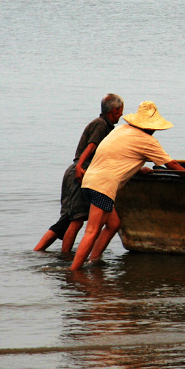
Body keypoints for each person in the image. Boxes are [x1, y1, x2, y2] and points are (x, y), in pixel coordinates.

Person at [70, 101, 185, 271]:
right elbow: (172, 164)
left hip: (90, 180)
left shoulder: (121, 130)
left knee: (113, 224)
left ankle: (93, 260)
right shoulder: (148, 141)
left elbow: (118, 156)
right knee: (92, 231)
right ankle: (74, 271)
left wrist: (138, 169)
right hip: (103, 186)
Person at [34, 93, 124, 253]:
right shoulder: (101, 124)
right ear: (114, 110)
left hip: (76, 170)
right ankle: (67, 257)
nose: (122, 114)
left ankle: (38, 251)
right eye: (120, 111)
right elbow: (92, 145)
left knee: (68, 218)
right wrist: (79, 167)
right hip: (82, 171)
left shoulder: (103, 124)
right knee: (77, 219)